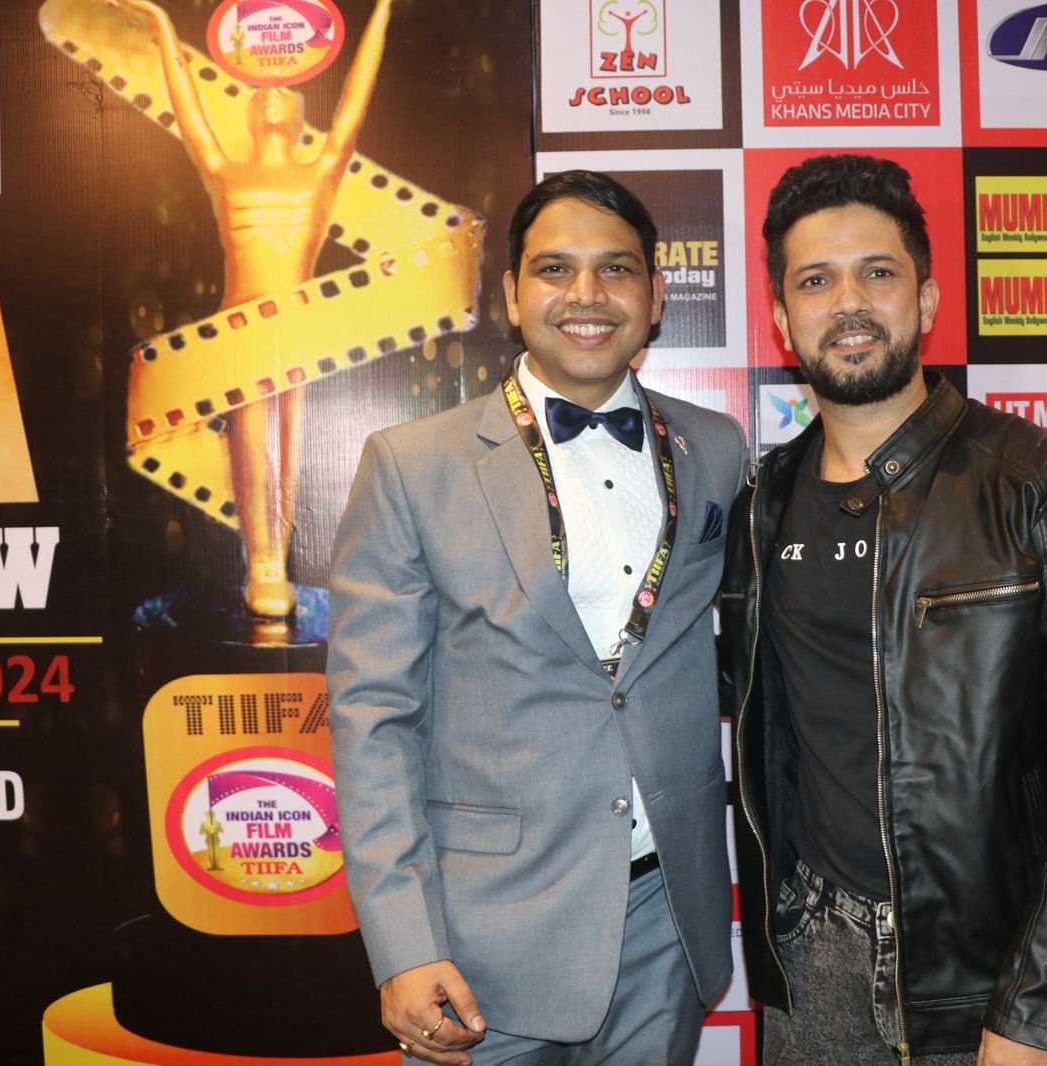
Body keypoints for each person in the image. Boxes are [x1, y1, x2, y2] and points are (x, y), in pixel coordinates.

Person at [721, 154, 1047, 1066]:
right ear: (782, 318)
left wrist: (1039, 1006)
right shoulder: (762, 500)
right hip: (810, 960)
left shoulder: (1045, 483)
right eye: (815, 281)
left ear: (926, 300)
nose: (848, 303)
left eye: (877, 273)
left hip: (988, 970)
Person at [328, 170, 744, 1065]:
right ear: (514, 295)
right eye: (556, 269)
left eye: (616, 269)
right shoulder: (413, 464)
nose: (586, 295)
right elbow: (374, 719)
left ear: (656, 295)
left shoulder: (716, 448)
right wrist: (404, 944)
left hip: (667, 920)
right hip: (482, 940)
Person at [118, 0, 395, 619]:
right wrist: (161, 26)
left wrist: (383, 10)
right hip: (240, 325)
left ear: (301, 118)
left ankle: (274, 563)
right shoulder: (224, 171)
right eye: (260, 95)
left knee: (287, 439)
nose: (271, 96)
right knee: (250, 440)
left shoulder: (322, 171)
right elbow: (188, 110)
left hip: (295, 322)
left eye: (285, 95)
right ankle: (262, 563)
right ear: (247, 116)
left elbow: (355, 98)